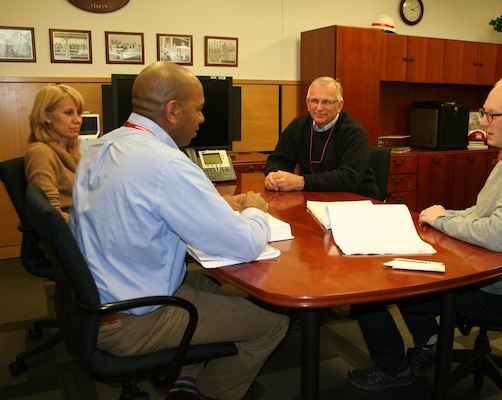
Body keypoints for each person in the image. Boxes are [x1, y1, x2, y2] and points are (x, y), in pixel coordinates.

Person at [70, 61, 289, 400]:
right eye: (198, 109)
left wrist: (216, 206)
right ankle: (213, 393)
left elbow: (141, 204)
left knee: (207, 284)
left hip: (94, 301)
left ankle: (185, 380)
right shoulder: (166, 163)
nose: (202, 118)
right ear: (173, 111)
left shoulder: (102, 146)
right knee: (274, 323)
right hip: (130, 320)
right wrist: (254, 211)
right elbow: (244, 244)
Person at [346, 74, 502, 391]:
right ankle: (431, 340)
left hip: (495, 287)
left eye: (492, 115)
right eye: (484, 112)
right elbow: (483, 213)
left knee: (370, 292)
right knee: (399, 266)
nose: (483, 121)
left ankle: (394, 369)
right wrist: (445, 214)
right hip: (484, 266)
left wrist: (441, 221)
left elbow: (498, 235)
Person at [264, 76, 379, 199]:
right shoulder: (298, 126)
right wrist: (274, 176)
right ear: (307, 104)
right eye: (314, 101)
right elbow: (278, 159)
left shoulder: (354, 132)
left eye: (326, 102)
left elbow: (349, 178)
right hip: (315, 198)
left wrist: (302, 182)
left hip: (356, 202)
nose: (319, 108)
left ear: (339, 106)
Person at [25, 84, 84, 223]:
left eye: (79, 113)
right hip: (71, 233)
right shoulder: (40, 153)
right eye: (68, 113)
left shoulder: (70, 150)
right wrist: (93, 229)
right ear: (47, 116)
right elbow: (50, 215)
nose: (78, 120)